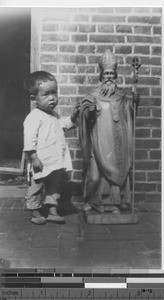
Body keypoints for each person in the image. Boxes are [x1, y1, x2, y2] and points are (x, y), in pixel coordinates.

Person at [77, 49, 139, 214]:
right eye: (106, 74)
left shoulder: (121, 97)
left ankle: (114, 203)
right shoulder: (93, 95)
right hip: (99, 142)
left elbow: (129, 115)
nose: (109, 77)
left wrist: (134, 103)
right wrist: (88, 110)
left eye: (112, 73)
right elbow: (82, 111)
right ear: (101, 76)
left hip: (117, 142)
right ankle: (93, 200)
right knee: (96, 174)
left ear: (116, 76)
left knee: (118, 167)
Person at [23, 71, 79, 225]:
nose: (52, 98)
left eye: (54, 93)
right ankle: (35, 211)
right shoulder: (33, 117)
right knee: (37, 186)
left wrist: (74, 116)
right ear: (34, 99)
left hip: (55, 160)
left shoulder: (54, 115)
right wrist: (34, 157)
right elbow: (29, 140)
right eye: (46, 94)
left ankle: (52, 210)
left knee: (54, 186)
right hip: (40, 160)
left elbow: (65, 125)